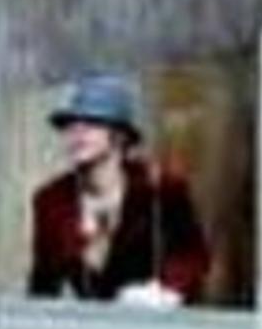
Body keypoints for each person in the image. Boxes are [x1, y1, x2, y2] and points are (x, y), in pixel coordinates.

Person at [27, 72, 210, 306]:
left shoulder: (160, 188)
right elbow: (43, 280)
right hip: (86, 327)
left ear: (119, 136)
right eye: (70, 125)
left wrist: (166, 291)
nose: (77, 133)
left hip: (150, 326)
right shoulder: (51, 200)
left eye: (92, 123)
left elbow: (192, 257)